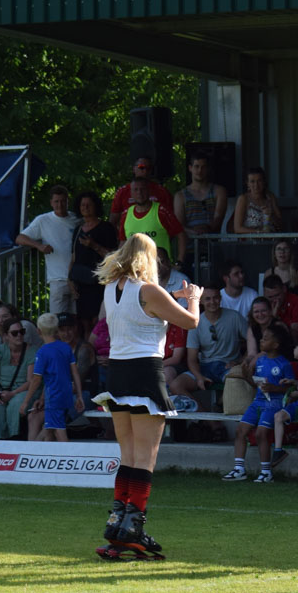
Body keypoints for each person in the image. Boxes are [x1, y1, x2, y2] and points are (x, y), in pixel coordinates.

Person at [92, 232, 201, 557]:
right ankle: (133, 527)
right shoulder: (149, 290)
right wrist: (193, 297)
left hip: (118, 373)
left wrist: (173, 295)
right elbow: (191, 322)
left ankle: (117, 523)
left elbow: (143, 304)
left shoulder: (111, 288)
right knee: (145, 457)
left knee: (127, 455)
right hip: (145, 372)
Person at [223, 323, 294, 483]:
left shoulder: (284, 364)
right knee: (240, 431)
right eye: (262, 338)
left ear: (276, 344)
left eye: (266, 339)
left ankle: (266, 472)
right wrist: (247, 376)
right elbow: (256, 385)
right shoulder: (260, 361)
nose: (261, 341)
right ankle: (239, 469)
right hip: (258, 401)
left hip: (274, 403)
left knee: (261, 433)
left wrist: (274, 388)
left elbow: (290, 389)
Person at [172, 287, 246, 401]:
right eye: (207, 299)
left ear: (220, 298)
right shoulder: (196, 322)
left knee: (237, 382)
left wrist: (239, 362)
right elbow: (192, 359)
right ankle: (204, 412)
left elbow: (252, 344)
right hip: (205, 367)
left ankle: (220, 405)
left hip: (228, 367)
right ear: (201, 301)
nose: (212, 302)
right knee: (176, 386)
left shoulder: (235, 317)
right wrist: (199, 377)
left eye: (215, 298)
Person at [16, 184, 80, 314]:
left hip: (77, 278)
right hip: (57, 280)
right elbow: (20, 238)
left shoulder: (77, 219)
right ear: (51, 202)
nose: (60, 205)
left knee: (78, 319)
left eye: (63, 201)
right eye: (56, 201)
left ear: (68, 201)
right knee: (57, 320)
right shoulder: (43, 220)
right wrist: (39, 246)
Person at [25, 312, 84, 442]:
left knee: (59, 432)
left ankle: (32, 451)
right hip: (66, 395)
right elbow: (75, 373)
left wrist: (25, 401)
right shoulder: (66, 348)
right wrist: (79, 396)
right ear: (57, 329)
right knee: (49, 430)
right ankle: (35, 451)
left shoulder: (42, 352)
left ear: (38, 331)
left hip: (53, 396)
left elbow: (36, 379)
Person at [0, 318, 36, 440]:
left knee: (16, 404)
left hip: (22, 390)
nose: (19, 335)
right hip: (1, 389)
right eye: (14, 333)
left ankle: (13, 439)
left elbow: (31, 381)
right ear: (6, 335)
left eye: (22, 332)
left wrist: (13, 393)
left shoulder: (32, 351)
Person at [69, 191, 117, 328]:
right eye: (82, 205)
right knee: (83, 322)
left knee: (98, 320)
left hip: (99, 281)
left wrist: (94, 245)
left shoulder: (106, 228)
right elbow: (73, 256)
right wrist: (70, 279)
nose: (85, 207)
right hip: (80, 280)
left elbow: (113, 256)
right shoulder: (78, 229)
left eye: (89, 205)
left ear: (96, 206)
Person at [118, 177, 185, 263]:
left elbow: (181, 235)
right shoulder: (126, 214)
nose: (139, 193)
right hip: (134, 267)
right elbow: (123, 242)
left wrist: (179, 261)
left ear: (149, 191)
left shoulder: (162, 211)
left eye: (142, 189)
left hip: (159, 267)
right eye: (136, 189)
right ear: (131, 193)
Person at [175, 153, 228, 242]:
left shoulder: (219, 191)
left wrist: (206, 229)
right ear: (190, 168)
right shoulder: (180, 196)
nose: (200, 170)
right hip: (190, 246)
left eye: (203, 167)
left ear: (208, 169)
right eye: (196, 166)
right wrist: (195, 232)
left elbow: (218, 219)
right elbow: (179, 225)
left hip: (212, 245)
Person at [229, 167, 282, 237]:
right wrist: (259, 232)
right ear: (247, 183)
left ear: (264, 182)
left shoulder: (270, 197)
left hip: (272, 239)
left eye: (259, 181)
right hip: (251, 240)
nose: (256, 185)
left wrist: (271, 215)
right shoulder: (243, 199)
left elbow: (281, 224)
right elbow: (237, 229)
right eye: (252, 181)